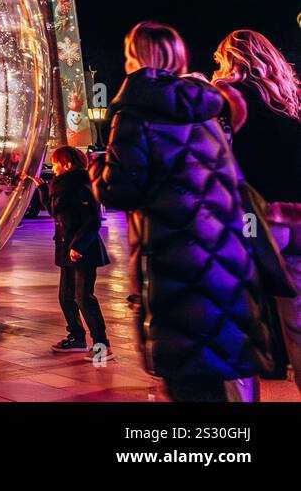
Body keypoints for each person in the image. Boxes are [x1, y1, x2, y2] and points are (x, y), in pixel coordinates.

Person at [91, 21, 277, 401]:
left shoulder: (136, 113)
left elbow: (120, 191)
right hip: (225, 257)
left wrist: (93, 170)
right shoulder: (207, 109)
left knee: (187, 376)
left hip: (174, 259)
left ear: (135, 57)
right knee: (220, 364)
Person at [212, 28, 301, 393]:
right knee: (297, 323)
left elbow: (214, 159)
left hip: (256, 221)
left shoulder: (226, 95)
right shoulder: (292, 100)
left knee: (237, 320)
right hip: (298, 221)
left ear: (230, 59)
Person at [31, 145, 109, 356]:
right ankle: (76, 337)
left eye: (56, 162)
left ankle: (102, 344)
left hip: (83, 250)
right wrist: (41, 189)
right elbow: (55, 210)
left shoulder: (82, 185)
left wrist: (78, 245)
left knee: (84, 297)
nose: (53, 166)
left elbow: (93, 221)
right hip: (66, 248)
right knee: (66, 297)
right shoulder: (60, 185)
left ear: (67, 164)